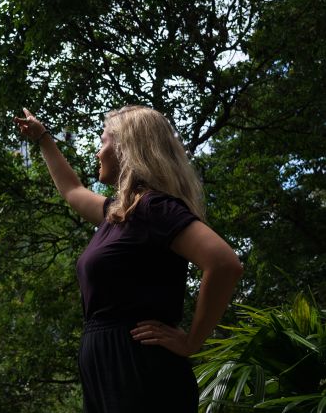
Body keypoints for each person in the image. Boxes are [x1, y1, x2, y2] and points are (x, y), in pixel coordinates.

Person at [13, 106, 243, 413]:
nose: (98, 152)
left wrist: (192, 341)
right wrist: (43, 138)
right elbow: (72, 190)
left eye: (103, 141)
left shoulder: (153, 208)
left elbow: (224, 264)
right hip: (106, 367)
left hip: (138, 365)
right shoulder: (118, 215)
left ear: (126, 148)